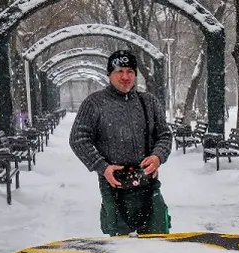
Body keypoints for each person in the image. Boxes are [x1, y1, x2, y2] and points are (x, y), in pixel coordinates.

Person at [69, 49, 174, 236]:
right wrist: (102, 167)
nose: (125, 77)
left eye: (130, 71)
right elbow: (78, 139)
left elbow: (164, 135)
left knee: (158, 240)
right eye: (119, 71)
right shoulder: (94, 103)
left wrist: (157, 157)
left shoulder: (148, 102)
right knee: (121, 247)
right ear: (109, 74)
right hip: (114, 185)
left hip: (147, 183)